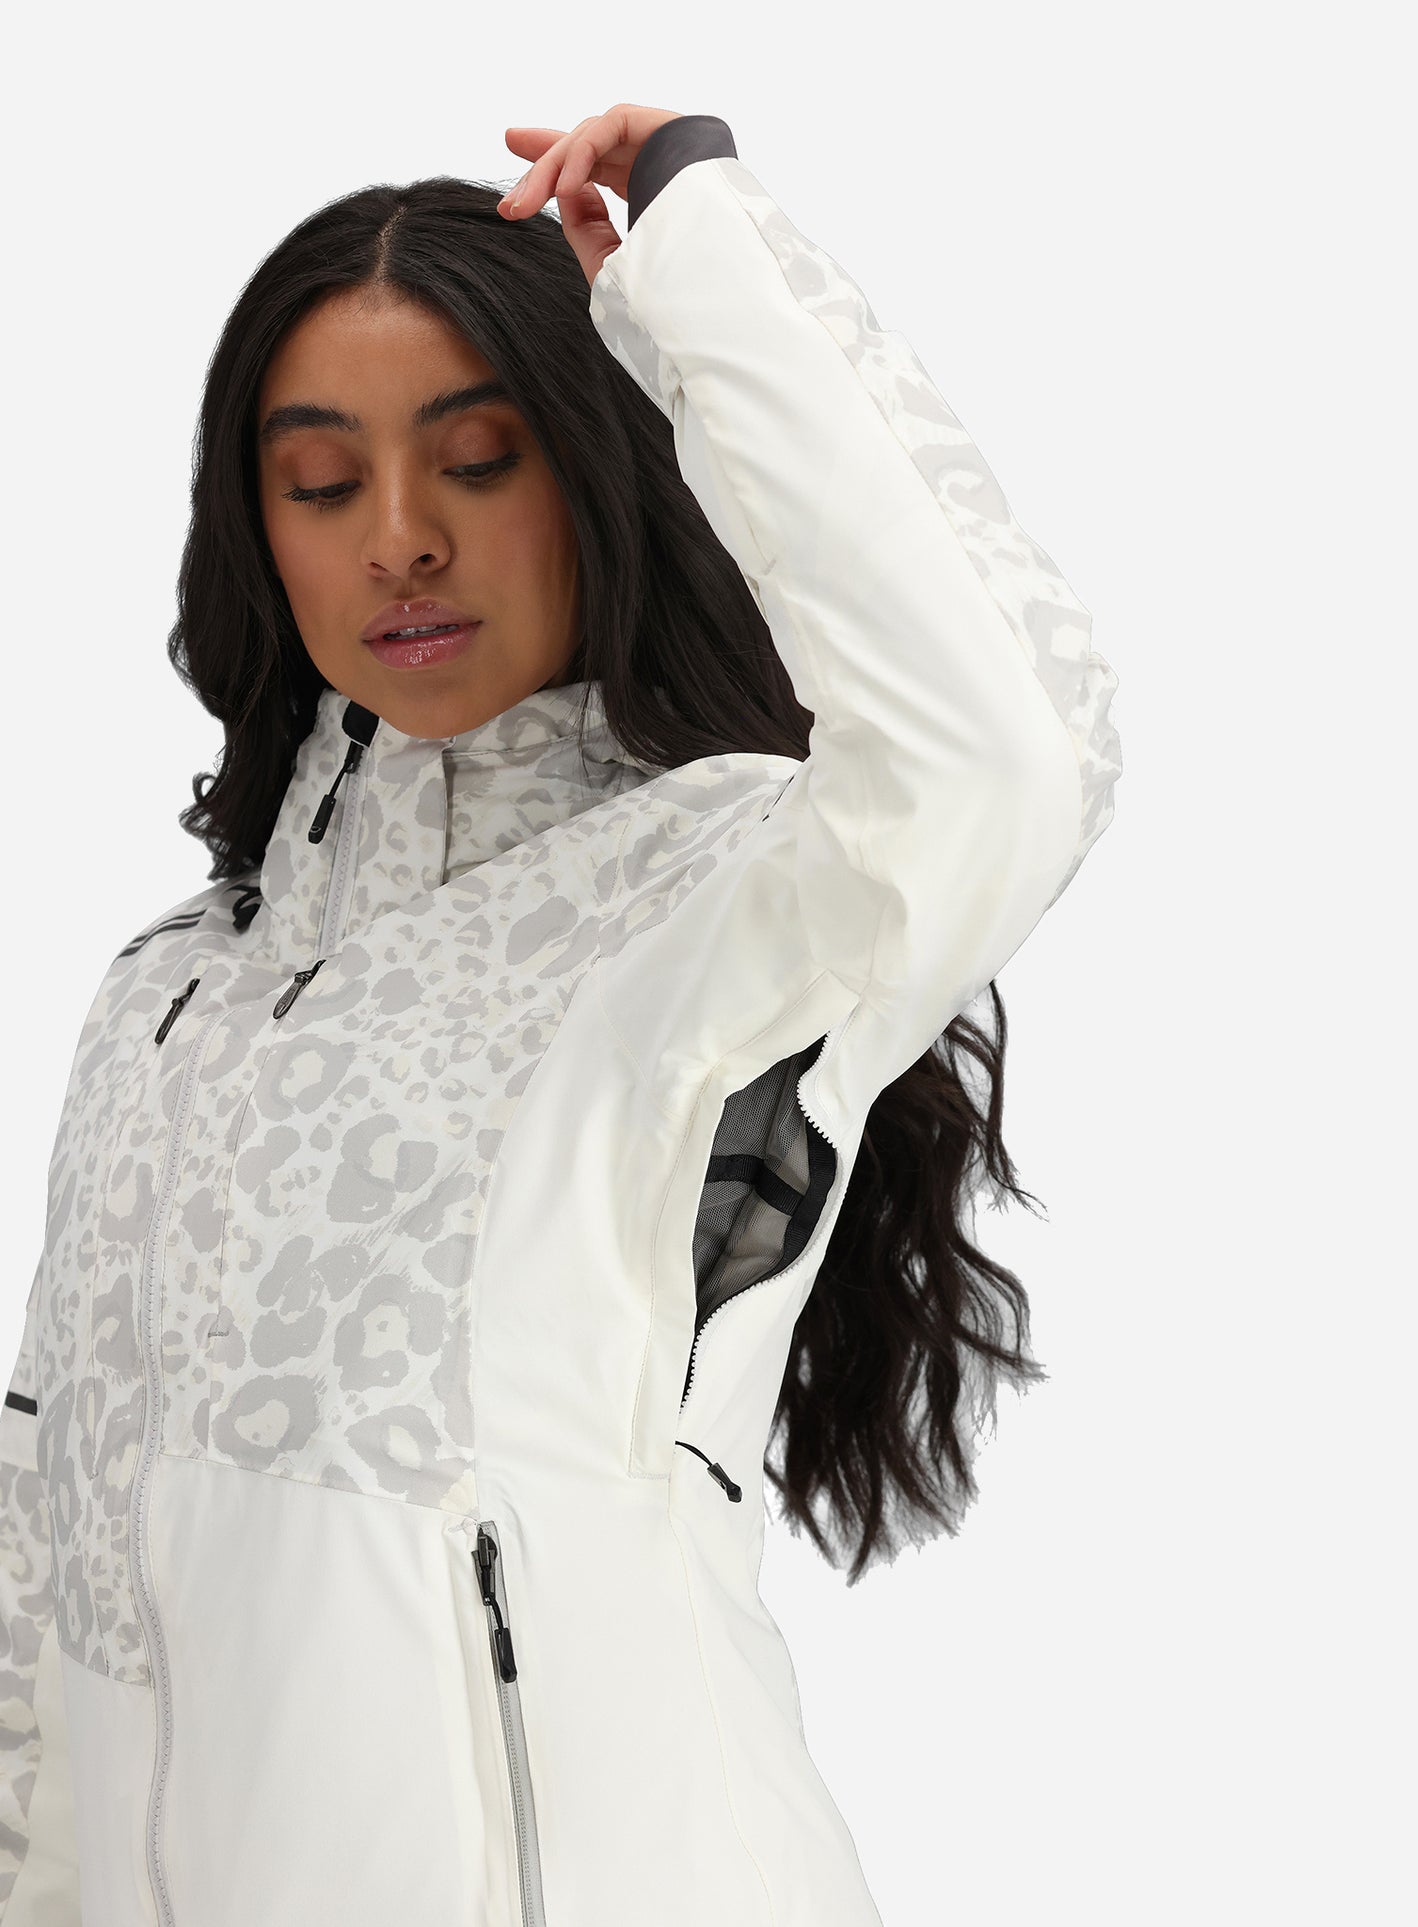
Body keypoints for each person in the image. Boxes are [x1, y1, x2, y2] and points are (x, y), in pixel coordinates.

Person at [0, 102, 1123, 1926]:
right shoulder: (163, 1003)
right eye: (322, 484)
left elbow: (1003, 753)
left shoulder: (721, 903)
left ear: (597, 472)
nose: (401, 540)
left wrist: (700, 258)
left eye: (477, 460)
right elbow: (45, 1580)